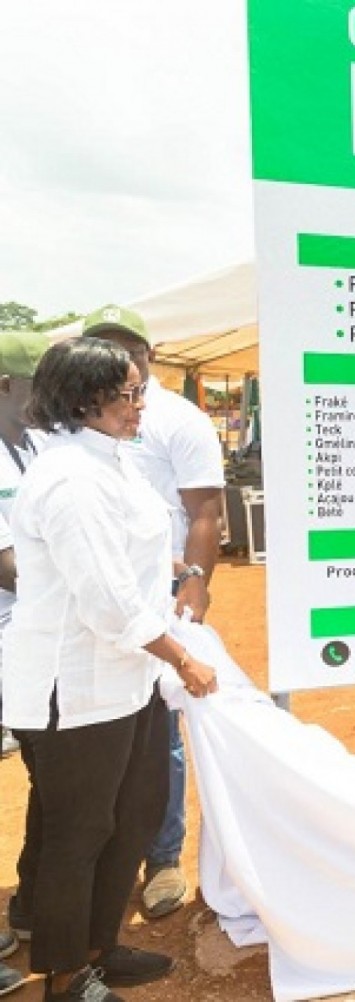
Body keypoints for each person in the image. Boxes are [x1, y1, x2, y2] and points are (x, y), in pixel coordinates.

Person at [1, 338, 218, 1002]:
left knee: (134, 813)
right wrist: (182, 656)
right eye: (127, 393)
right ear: (83, 399)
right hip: (78, 686)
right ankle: (66, 974)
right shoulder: (69, 478)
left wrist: (184, 573)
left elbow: (136, 560)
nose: (140, 403)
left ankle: (100, 944)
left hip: (127, 676)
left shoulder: (112, 462)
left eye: (140, 389)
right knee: (81, 830)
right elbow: (104, 599)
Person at [81, 304, 226, 920]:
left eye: (127, 347)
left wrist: (193, 584)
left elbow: (203, 512)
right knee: (105, 727)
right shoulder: (81, 417)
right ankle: (98, 859)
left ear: (151, 353)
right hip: (95, 599)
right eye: (104, 346)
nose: (119, 358)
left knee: (160, 727)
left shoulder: (179, 419)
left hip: (158, 597)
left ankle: (163, 859)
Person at [0, 331, 48, 997]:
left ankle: (33, 905)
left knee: (53, 770)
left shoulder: (33, 444)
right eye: (36, 384)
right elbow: (9, 563)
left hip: (31, 642)